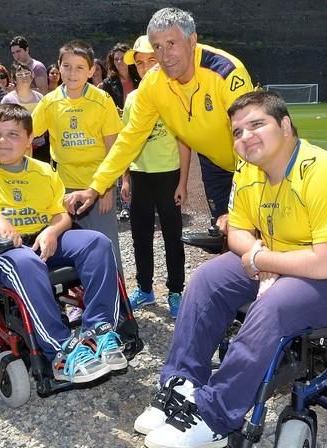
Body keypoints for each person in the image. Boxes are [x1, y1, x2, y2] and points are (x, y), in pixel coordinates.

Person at [134, 91, 327, 448]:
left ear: (285, 126)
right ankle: (181, 384)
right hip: (285, 258)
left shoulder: (321, 171)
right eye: (237, 132)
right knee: (209, 279)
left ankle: (216, 415)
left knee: (274, 306)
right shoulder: (250, 170)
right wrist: (256, 252)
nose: (244, 137)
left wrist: (262, 260)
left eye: (256, 125)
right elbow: (237, 230)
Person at [0, 104, 127, 383]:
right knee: (26, 261)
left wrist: (53, 232)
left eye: (12, 134)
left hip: (40, 238)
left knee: (98, 243)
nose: (2, 140)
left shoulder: (43, 171)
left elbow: (60, 214)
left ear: (30, 140)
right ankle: (61, 351)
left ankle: (99, 331)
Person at [65, 7, 253, 236]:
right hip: (215, 162)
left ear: (192, 40)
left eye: (171, 43)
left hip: (253, 160)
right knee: (228, 233)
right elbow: (131, 137)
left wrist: (244, 200)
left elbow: (250, 138)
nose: (164, 56)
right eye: (157, 47)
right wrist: (95, 187)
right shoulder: (153, 84)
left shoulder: (226, 72)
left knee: (253, 227)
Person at [32, 40, 124, 273]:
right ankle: (76, 303)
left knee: (107, 247)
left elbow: (114, 149)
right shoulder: (49, 102)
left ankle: (118, 305)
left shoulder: (102, 101)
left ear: (92, 70)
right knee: (69, 248)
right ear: (59, 68)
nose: (72, 73)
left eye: (80, 67)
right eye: (67, 66)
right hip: (63, 189)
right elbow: (26, 137)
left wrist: (107, 189)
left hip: (97, 185)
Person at [120, 35, 190, 318]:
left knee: (173, 236)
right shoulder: (132, 99)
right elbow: (126, 141)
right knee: (140, 235)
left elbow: (185, 142)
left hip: (169, 175)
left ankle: (175, 290)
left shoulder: (175, 94)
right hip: (140, 175)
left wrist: (183, 182)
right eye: (139, 63)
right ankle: (145, 288)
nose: (146, 67)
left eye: (151, 60)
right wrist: (125, 178)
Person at [101, 43, 140, 111]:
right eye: (116, 59)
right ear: (113, 62)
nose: (119, 62)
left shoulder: (139, 78)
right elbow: (104, 107)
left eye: (122, 58)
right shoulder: (108, 84)